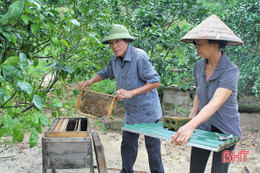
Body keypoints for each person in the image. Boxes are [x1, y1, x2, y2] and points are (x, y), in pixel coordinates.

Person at [79, 24, 164, 173]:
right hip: (131, 112)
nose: (114, 46)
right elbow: (105, 73)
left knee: (153, 148)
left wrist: (131, 93)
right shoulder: (115, 60)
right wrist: (89, 82)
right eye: (111, 43)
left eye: (118, 42)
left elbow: (155, 81)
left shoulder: (140, 56)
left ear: (127, 41)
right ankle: (126, 170)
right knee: (128, 144)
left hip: (148, 110)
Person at [171, 15, 243, 173]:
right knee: (195, 169)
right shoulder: (198, 66)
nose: (196, 48)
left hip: (228, 131)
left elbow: (215, 104)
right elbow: (199, 92)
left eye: (200, 44)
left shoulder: (231, 70)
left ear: (215, 44)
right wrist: (191, 117)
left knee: (219, 171)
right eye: (195, 44)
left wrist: (191, 125)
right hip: (204, 126)